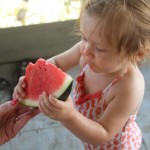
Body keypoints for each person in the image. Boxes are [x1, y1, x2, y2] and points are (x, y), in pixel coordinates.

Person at [13, 0, 150, 149]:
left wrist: (69, 116)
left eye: (100, 48)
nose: (85, 50)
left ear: (137, 54)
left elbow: (103, 134)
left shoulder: (129, 87)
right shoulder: (87, 50)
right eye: (84, 37)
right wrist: (31, 81)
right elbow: (56, 62)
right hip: (86, 133)